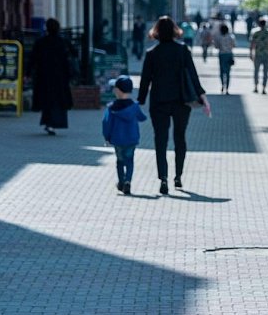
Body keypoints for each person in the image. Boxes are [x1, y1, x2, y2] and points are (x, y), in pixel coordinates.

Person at [137, 16, 211, 195]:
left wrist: (139, 102)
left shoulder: (152, 53)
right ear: (174, 31)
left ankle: (163, 178)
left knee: (160, 140)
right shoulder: (183, 50)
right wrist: (203, 98)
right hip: (181, 101)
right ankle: (178, 176)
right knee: (180, 137)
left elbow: (145, 81)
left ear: (156, 32)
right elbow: (193, 75)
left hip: (159, 102)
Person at [26, 18, 74, 135]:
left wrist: (27, 73)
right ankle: (54, 123)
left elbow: (32, 59)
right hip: (60, 78)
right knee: (58, 101)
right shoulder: (63, 42)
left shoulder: (41, 42)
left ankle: (48, 123)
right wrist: (71, 75)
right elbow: (71, 58)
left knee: (47, 101)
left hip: (44, 77)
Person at [101, 75, 146, 195]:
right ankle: (128, 181)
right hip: (132, 138)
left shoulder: (111, 108)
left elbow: (106, 123)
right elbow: (142, 117)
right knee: (130, 160)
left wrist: (107, 137)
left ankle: (121, 181)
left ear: (117, 90)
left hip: (117, 139)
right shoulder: (134, 106)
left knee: (120, 161)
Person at [249, 18, 268, 94]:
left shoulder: (255, 32)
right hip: (267, 54)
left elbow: (252, 44)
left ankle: (256, 87)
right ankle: (264, 88)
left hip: (258, 54)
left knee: (256, 71)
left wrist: (251, 53)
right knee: (266, 72)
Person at [213, 24, 236, 94]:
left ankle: (223, 84)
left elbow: (216, 46)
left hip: (222, 54)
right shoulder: (231, 37)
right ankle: (227, 88)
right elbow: (234, 45)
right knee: (228, 72)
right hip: (229, 54)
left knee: (222, 71)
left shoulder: (219, 37)